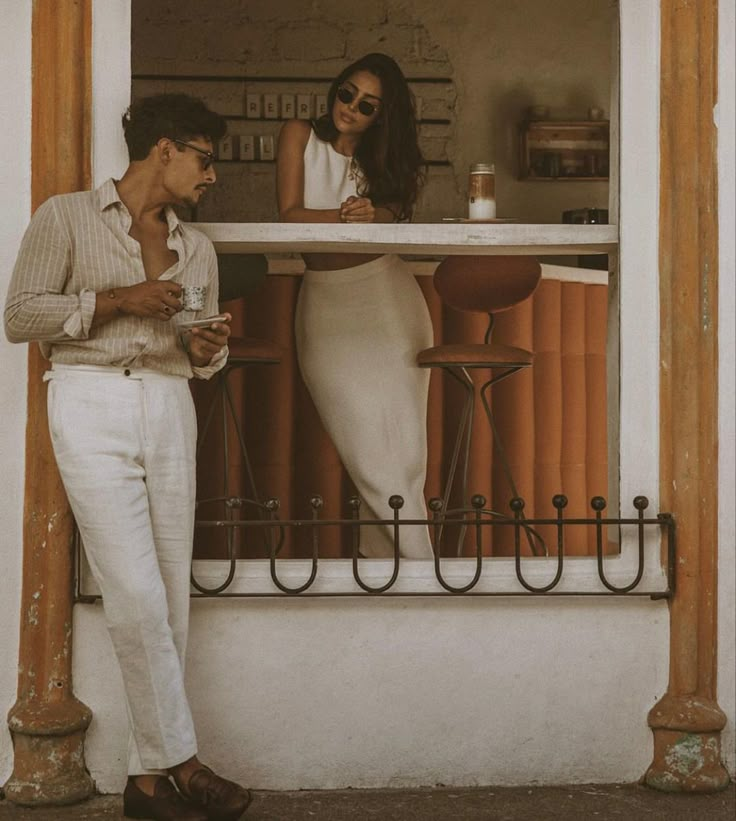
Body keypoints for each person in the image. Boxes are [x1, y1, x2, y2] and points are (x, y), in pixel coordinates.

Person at [5, 94, 252, 821]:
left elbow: (197, 342)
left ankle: (146, 787)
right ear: (165, 150)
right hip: (89, 401)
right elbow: (20, 314)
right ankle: (184, 761)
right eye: (205, 158)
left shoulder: (197, 247)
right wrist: (118, 299)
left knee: (169, 596)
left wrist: (207, 348)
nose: (212, 175)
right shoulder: (66, 217)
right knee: (136, 593)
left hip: (171, 405)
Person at [276, 53, 434, 559]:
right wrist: (349, 218)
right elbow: (289, 215)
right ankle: (426, 574)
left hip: (388, 298)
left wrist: (376, 214)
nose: (350, 108)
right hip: (326, 301)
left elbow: (392, 213)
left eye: (367, 106)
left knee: (405, 455)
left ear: (381, 117)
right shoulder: (299, 133)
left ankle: (389, 579)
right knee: (369, 456)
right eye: (346, 93)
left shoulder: (385, 164)